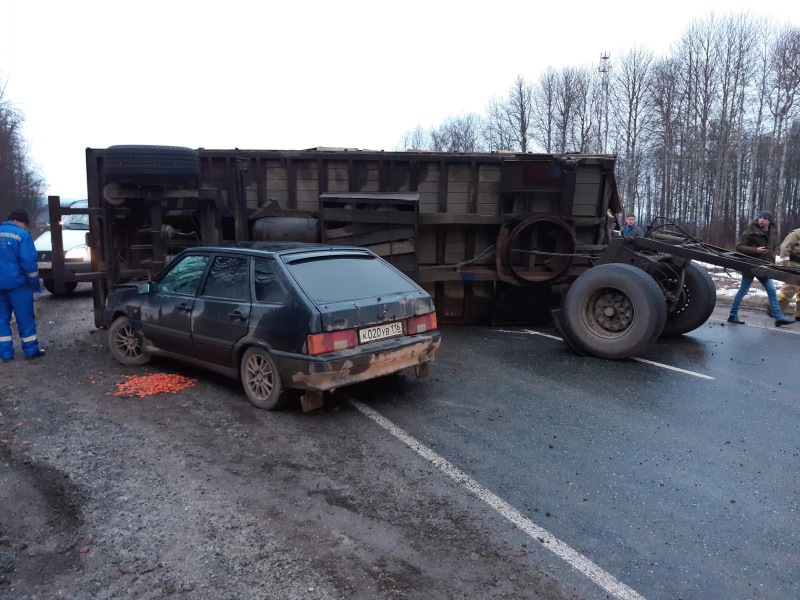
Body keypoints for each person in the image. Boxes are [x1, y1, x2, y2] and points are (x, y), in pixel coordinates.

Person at [727, 210, 794, 327]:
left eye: (765, 218)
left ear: (770, 221)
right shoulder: (750, 231)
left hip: (764, 267)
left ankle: (779, 318)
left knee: (772, 292)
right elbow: (739, 246)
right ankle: (732, 315)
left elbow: (774, 248)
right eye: (760, 218)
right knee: (743, 291)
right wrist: (756, 250)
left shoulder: (773, 232)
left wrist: (772, 261)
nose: (762, 220)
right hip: (751, 265)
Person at [0, 208, 46, 361]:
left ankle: (5, 355)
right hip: (18, 285)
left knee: (1, 320)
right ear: (19, 221)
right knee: (25, 318)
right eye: (25, 224)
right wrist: (35, 283)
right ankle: (31, 351)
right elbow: (28, 263)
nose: (26, 227)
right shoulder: (22, 235)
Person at [776, 226, 800, 321]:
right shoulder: (796, 234)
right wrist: (786, 266)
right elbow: (784, 248)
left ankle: (799, 314)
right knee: (791, 288)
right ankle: (775, 309)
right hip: (794, 265)